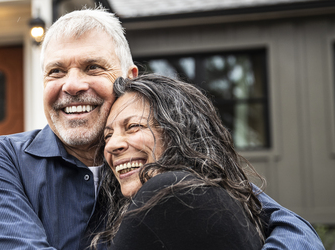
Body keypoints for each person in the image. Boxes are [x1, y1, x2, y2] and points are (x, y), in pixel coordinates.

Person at [0, 8, 324, 250]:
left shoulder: (162, 160)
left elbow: (296, 230)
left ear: (129, 78)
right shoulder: (0, 161)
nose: (71, 85)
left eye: (93, 67)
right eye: (56, 71)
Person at [95, 74, 266, 249]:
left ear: (178, 132)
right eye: (108, 136)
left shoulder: (171, 189)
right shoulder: (210, 193)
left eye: (133, 127)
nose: (111, 146)